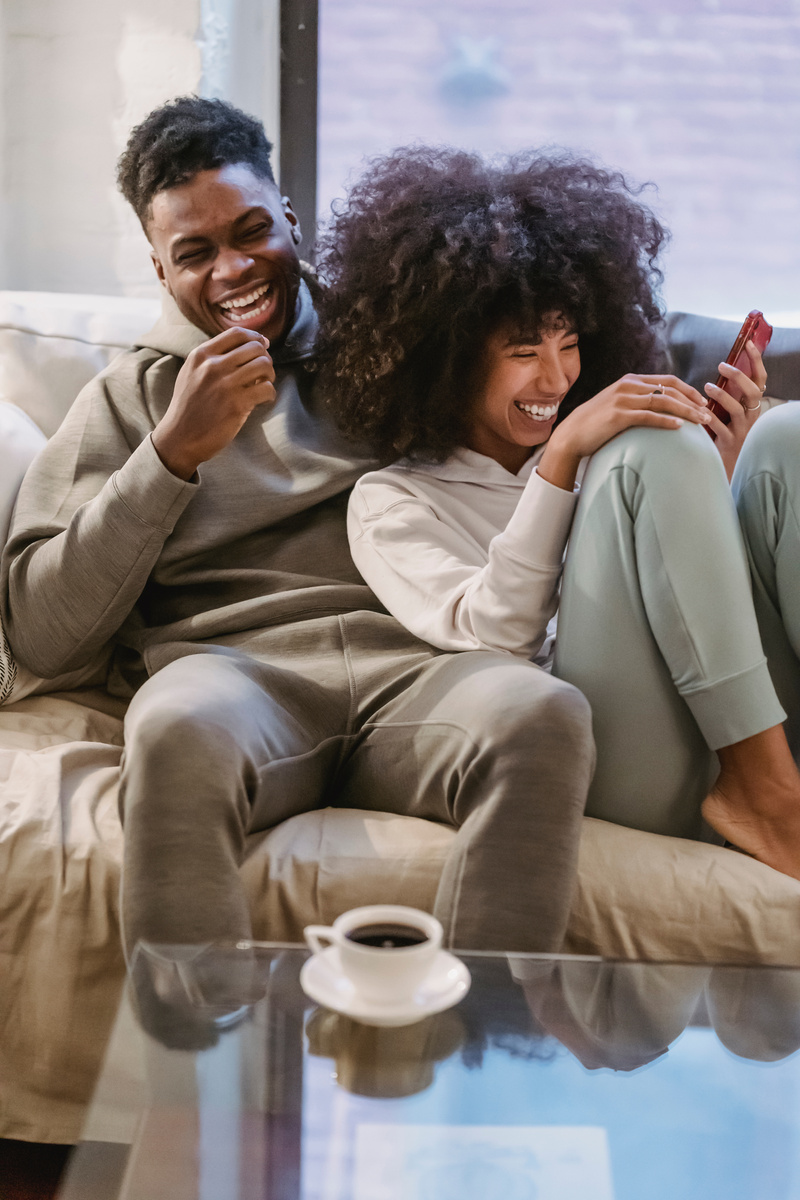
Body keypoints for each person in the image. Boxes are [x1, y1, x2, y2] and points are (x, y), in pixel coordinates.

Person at [0, 99, 596, 965]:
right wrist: (171, 454)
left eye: (252, 232)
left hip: (422, 666)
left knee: (545, 713)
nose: (233, 269)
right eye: (195, 254)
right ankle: (199, 1044)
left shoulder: (398, 331)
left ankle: (481, 1035)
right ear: (160, 270)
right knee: (173, 729)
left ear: (289, 217)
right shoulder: (129, 398)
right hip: (234, 676)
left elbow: (539, 400)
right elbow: (43, 634)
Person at [318, 146, 800, 880]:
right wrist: (563, 457)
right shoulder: (392, 501)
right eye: (523, 351)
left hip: (733, 713)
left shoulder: (619, 458)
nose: (556, 377)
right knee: (653, 446)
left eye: (569, 344)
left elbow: (697, 607)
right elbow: (496, 635)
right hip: (619, 757)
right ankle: (766, 795)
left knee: (784, 436)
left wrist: (721, 478)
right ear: (448, 355)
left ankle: (766, 778)